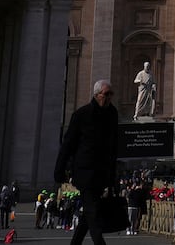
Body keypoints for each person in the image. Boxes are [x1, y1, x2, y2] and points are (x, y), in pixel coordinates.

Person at [54, 80, 119, 245]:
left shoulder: (113, 114)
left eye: (111, 94)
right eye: (107, 94)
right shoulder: (81, 114)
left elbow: (114, 146)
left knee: (88, 214)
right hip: (85, 172)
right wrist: (59, 170)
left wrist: (113, 176)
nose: (110, 97)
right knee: (93, 213)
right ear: (97, 95)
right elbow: (68, 144)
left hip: (102, 172)